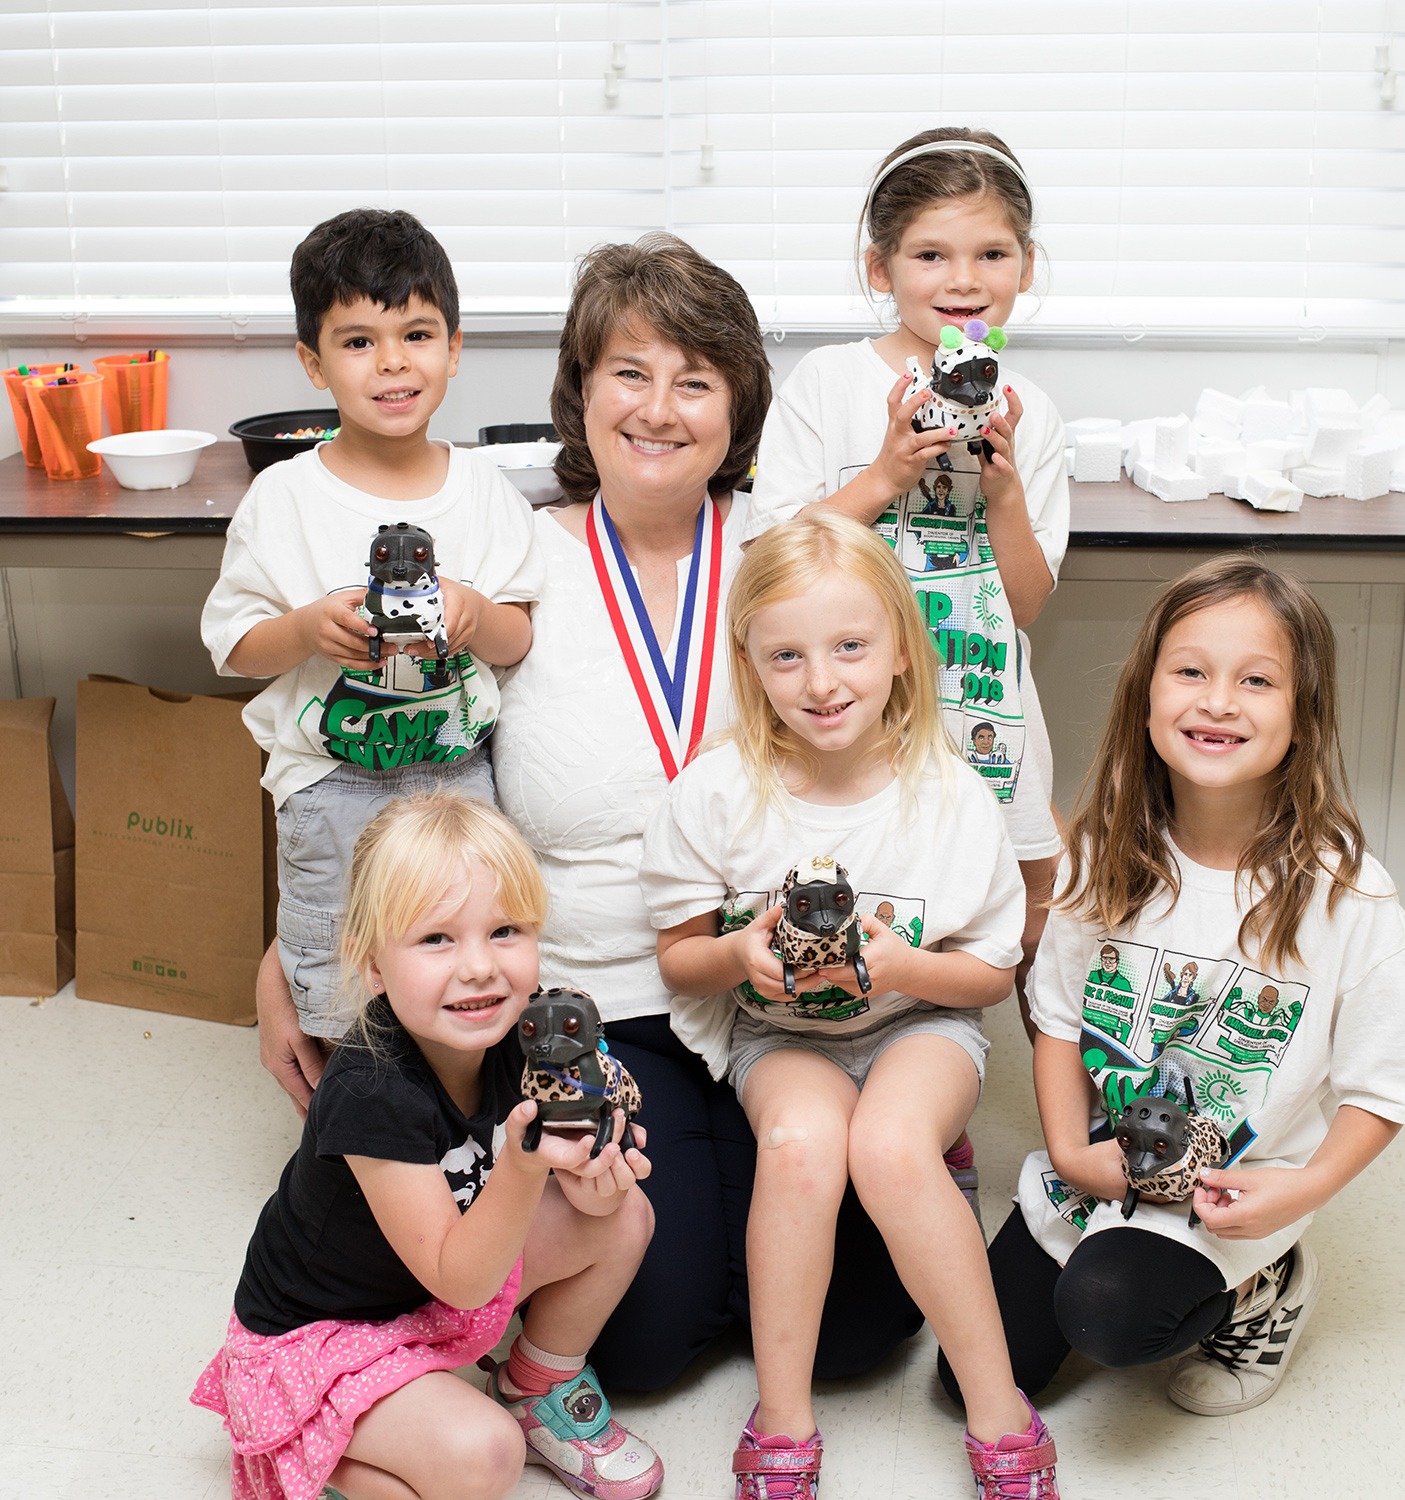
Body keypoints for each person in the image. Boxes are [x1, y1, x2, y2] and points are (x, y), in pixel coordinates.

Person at [254, 232, 928, 1393]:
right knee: (649, 1346)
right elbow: (379, 761)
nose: (659, 408)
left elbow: (892, 759)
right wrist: (292, 950)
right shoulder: (505, 559)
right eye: (629, 371)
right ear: (580, 391)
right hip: (598, 993)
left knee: (866, 1332)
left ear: (737, 407)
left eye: (696, 378)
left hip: (778, 989)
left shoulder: (787, 560)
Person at [944, 556, 1405, 1418]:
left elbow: (1383, 1089)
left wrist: (1306, 1187)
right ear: (1146, 694)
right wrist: (1066, 1150)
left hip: (1237, 1185)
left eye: (1256, 680)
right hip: (1101, 1162)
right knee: (973, 1379)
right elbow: (1056, 1017)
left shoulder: (1351, 898)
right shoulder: (1100, 859)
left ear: (1303, 715)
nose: (1217, 701)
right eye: (1191, 672)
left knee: (1108, 1312)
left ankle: (1267, 1292)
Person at [639, 510, 1061, 1500]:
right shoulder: (715, 794)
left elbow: (988, 978)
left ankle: (999, 1411)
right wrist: (741, 954)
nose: (821, 683)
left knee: (888, 1147)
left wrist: (904, 968)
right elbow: (676, 962)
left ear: (903, 654)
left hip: (925, 1023)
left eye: (849, 648)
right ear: (749, 664)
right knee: (800, 1150)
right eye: (786, 656)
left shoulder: (950, 795)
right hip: (782, 1038)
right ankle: (782, 1414)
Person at [191, 793, 662, 1500]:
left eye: (505, 930)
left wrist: (597, 1176)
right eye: (436, 939)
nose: (479, 968)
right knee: (483, 1458)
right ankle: (299, 1450)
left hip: (424, 1292)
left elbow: (514, 1222)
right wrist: (526, 1162)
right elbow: (464, 1280)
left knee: (623, 1217)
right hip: (328, 1337)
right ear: (372, 965)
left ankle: (538, 1387)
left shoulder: (523, 1040)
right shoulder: (369, 1090)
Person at [748, 127, 1070, 1041]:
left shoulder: (1030, 411)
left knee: (1025, 889)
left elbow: (1026, 603)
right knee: (885, 883)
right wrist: (886, 472)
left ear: (1026, 266)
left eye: (991, 253)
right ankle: (888, 1063)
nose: (962, 280)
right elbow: (770, 563)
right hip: (857, 703)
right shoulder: (829, 382)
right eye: (930, 253)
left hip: (983, 698)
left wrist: (1002, 490)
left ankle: (1025, 1095)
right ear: (879, 267)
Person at [202, 207, 541, 1045]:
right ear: (313, 365)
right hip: (331, 784)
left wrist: (469, 613)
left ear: (454, 349)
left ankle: (451, 1122)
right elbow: (236, 648)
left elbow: (519, 639)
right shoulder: (283, 498)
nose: (392, 362)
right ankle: (350, 1134)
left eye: (417, 334)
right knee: (337, 970)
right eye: (358, 342)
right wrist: (310, 630)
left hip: (458, 775)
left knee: (462, 960)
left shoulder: (486, 491)